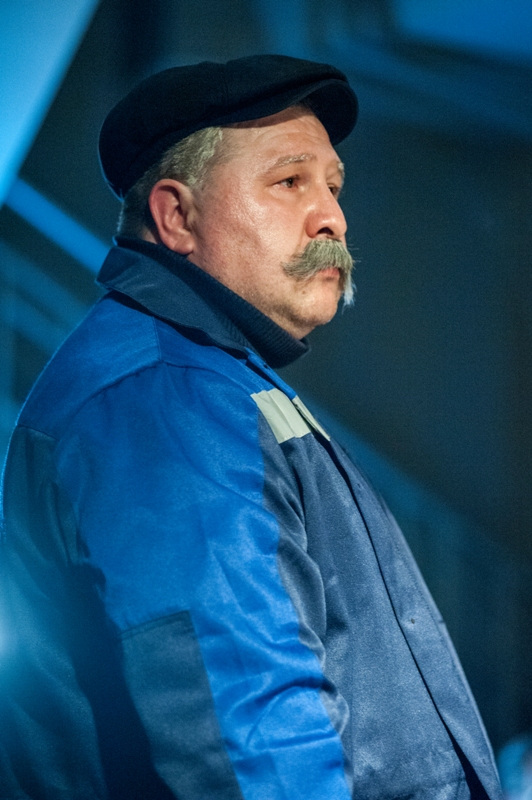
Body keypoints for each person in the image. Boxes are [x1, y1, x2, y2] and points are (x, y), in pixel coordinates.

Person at [0, 54, 502, 800]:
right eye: (289, 181)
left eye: (333, 186)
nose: (332, 216)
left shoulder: (213, 378)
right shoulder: (162, 397)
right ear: (176, 217)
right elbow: (248, 741)